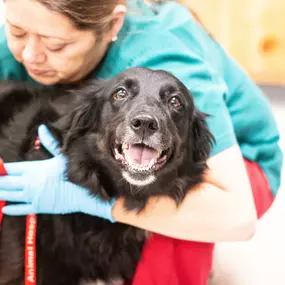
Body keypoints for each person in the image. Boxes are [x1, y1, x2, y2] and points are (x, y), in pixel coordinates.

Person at [0, 0, 283, 284]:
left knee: (167, 209)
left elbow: (237, 217)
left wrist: (102, 205)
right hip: (126, 147)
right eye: (16, 32)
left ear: (113, 24)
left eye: (56, 45)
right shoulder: (31, 25)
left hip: (240, 166)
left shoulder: (167, 61)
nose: (30, 54)